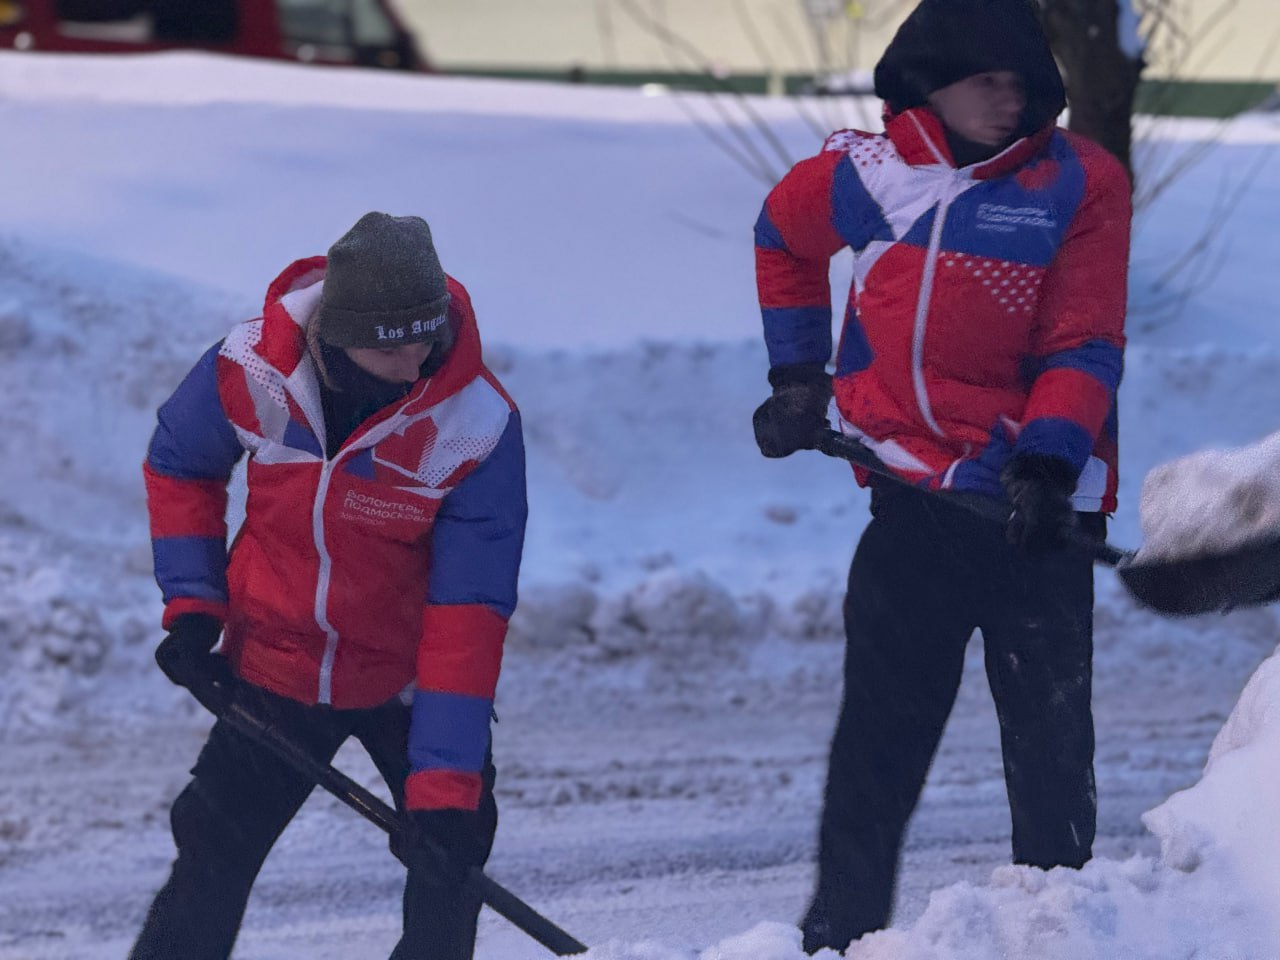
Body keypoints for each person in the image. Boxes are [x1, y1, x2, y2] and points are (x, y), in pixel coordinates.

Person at [750, 0, 1129, 951]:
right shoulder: (866, 172)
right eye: (985, 81)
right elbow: (780, 239)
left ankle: (1059, 927)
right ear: (931, 83)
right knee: (879, 738)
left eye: (1021, 79)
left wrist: (1048, 466)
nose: (1009, 99)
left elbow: (1083, 343)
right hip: (911, 502)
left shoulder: (1078, 182)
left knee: (1050, 744)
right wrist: (797, 376)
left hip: (1034, 512)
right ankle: (838, 930)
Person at [132, 212, 527, 960]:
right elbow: (181, 463)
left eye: (429, 335)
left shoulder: (473, 424)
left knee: (453, 857)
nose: (419, 362)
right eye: (397, 344)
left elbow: (468, 613)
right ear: (341, 337)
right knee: (211, 855)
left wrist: (442, 793)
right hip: (275, 661)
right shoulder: (253, 370)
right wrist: (192, 604)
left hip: (406, 675)